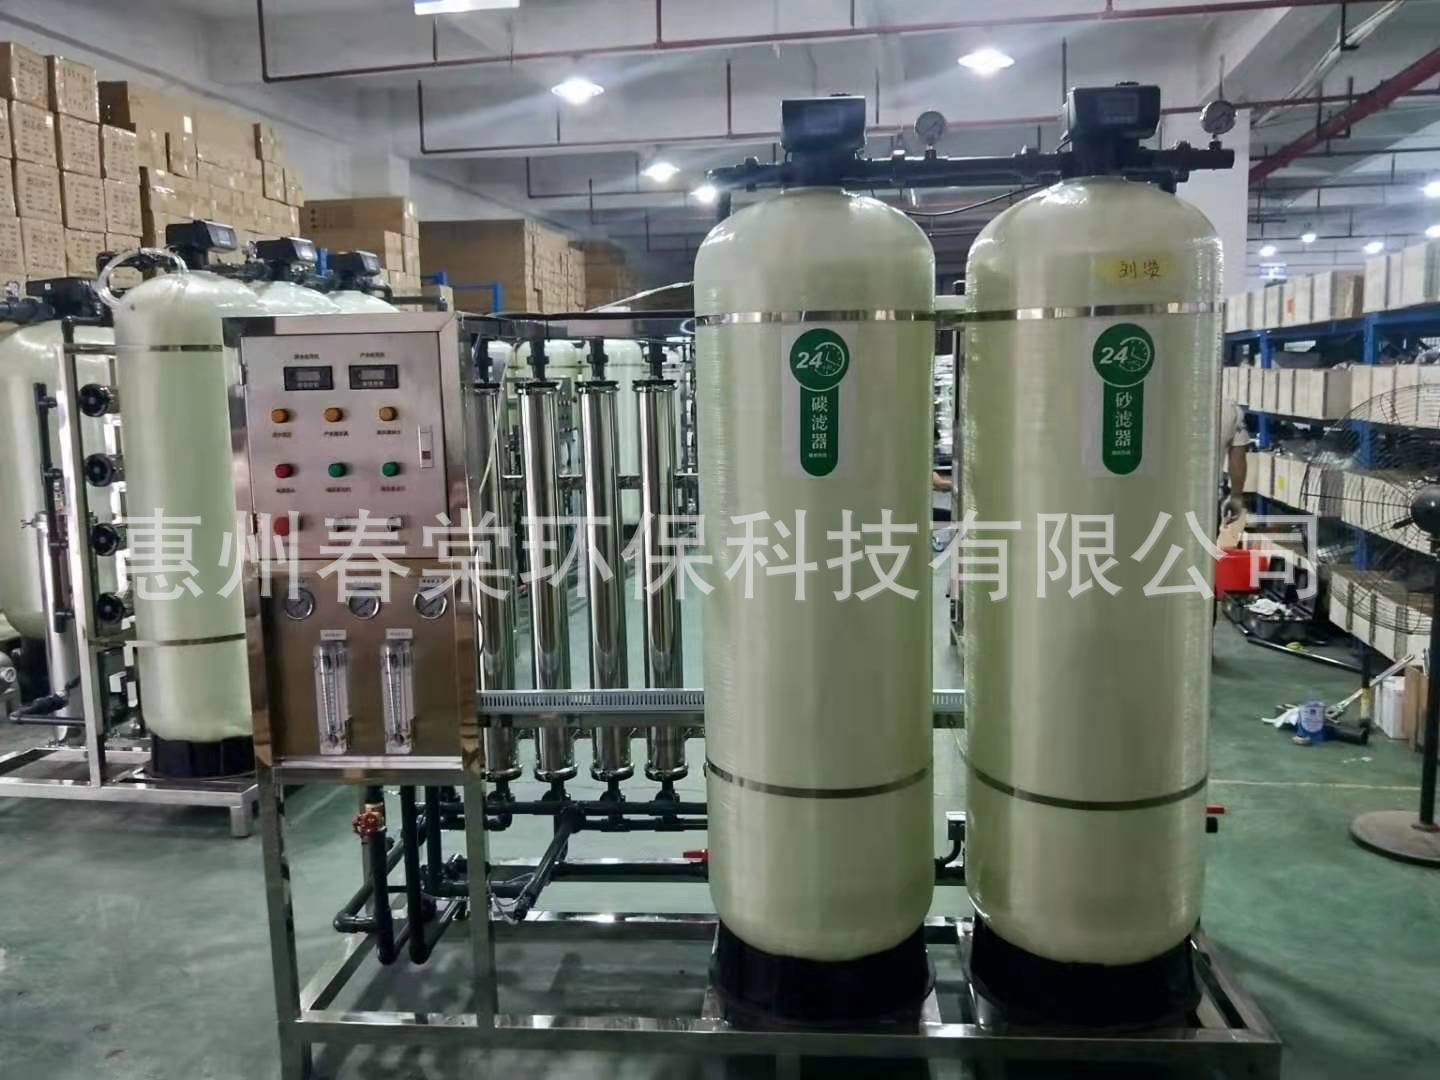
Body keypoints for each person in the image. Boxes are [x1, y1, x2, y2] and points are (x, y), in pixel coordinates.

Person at [1218, 394, 1248, 523]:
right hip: (1209, 497)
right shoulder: (1231, 409)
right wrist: (1236, 497)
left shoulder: (1164, 406)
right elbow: (1238, 458)